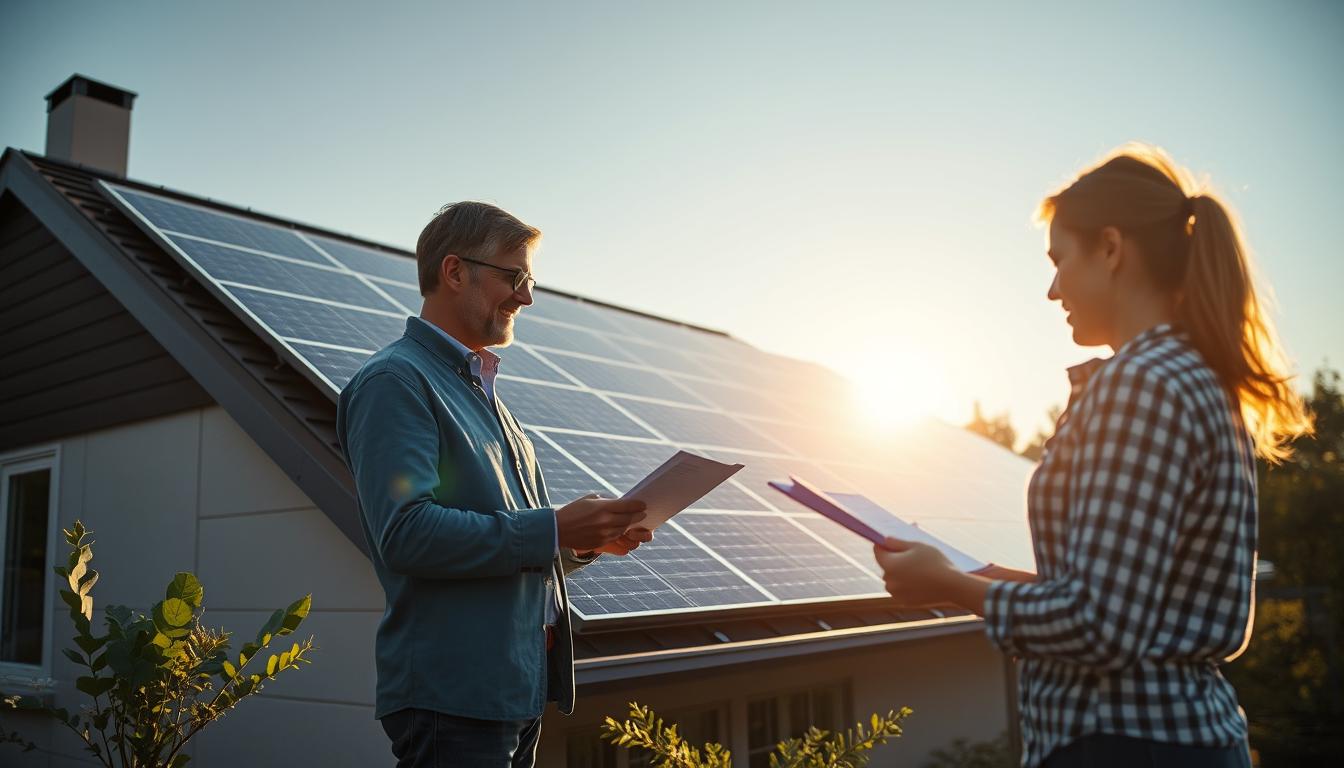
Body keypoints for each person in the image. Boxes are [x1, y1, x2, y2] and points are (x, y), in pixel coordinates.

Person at [872, 145, 1311, 768]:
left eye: (1059, 260)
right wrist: (987, 580)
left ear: (1110, 248)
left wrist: (948, 586)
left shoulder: (1143, 385)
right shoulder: (1188, 379)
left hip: (1127, 745)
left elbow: (1100, 625)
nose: (1052, 289)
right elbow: (1136, 603)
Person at [336, 201, 653, 768]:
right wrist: (553, 526)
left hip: (512, 687)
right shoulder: (396, 382)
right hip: (454, 695)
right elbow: (406, 533)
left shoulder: (483, 393)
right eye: (515, 277)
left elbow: (508, 536)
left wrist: (575, 542)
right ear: (455, 272)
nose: (526, 297)